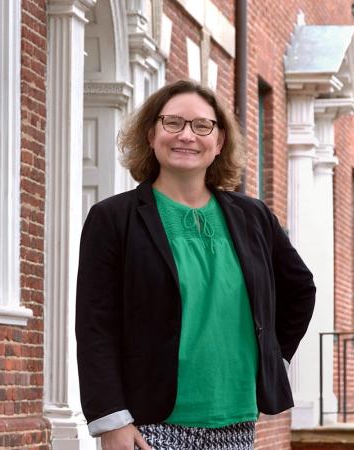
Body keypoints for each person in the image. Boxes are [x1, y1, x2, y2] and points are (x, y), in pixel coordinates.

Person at [75, 79, 316, 450]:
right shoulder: (112, 219)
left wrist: (272, 358)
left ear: (219, 142)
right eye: (173, 123)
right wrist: (111, 419)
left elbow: (300, 290)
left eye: (202, 126)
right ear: (151, 134)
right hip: (148, 424)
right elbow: (95, 325)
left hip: (235, 419)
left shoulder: (253, 216)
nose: (186, 135)